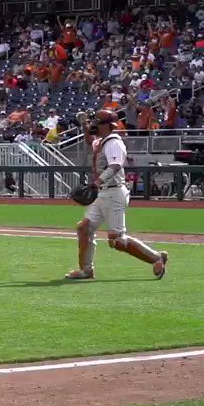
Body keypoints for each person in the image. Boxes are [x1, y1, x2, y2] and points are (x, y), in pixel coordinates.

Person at [65, 110, 168, 280]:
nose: (93, 125)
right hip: (102, 193)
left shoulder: (114, 143)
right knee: (84, 229)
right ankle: (86, 270)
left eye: (96, 122)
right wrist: (83, 126)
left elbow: (115, 166)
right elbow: (90, 141)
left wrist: (96, 183)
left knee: (118, 241)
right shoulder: (103, 141)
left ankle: (156, 257)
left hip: (114, 192)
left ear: (106, 126)